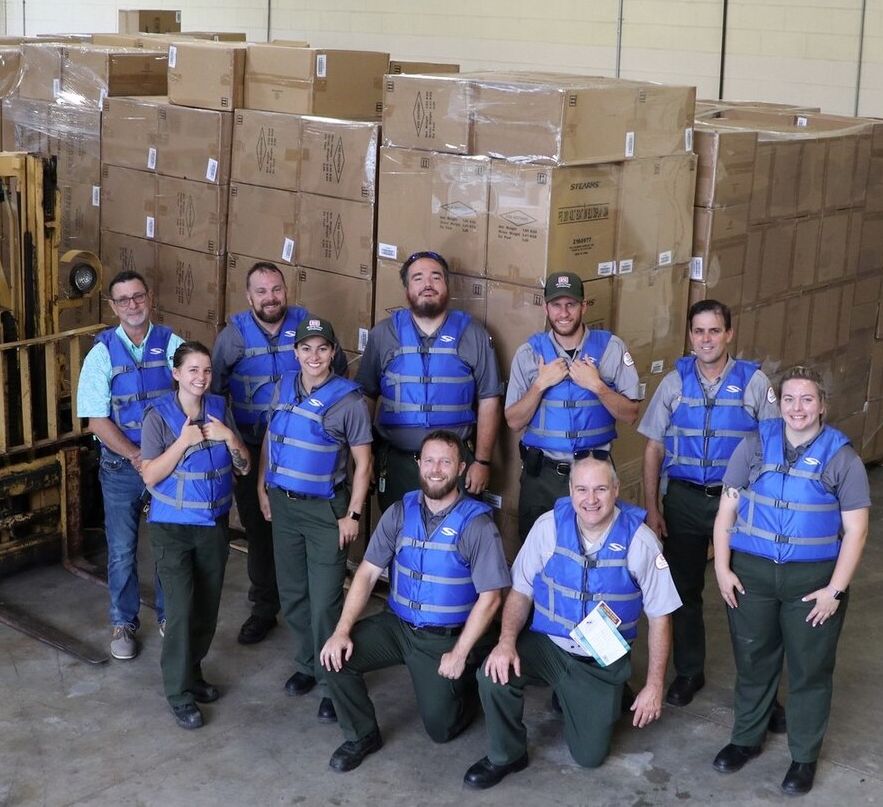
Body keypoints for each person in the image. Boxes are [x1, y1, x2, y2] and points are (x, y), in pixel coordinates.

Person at [463, 453, 681, 789]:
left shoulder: (641, 543)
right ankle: (507, 754)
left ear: (616, 489)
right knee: (493, 675)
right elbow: (520, 591)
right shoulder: (547, 526)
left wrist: (654, 686)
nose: (590, 499)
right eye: (581, 489)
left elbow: (660, 617)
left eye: (600, 489)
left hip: (598, 659)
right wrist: (505, 643)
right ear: (570, 489)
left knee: (589, 757)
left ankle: (609, 689)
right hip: (549, 644)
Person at [711, 366, 870, 796]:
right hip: (753, 576)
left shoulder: (842, 458)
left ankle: (803, 756)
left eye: (807, 399)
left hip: (812, 581)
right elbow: (727, 512)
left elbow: (856, 530)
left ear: (822, 405)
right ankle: (746, 738)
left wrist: (835, 590)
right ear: (777, 402)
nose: (797, 408)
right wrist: (723, 568)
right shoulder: (753, 446)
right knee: (753, 660)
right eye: (788, 399)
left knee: (809, 670)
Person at [319, 430, 511, 772]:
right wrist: (342, 630)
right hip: (396, 625)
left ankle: (469, 673)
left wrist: (459, 654)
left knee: (441, 731)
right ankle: (362, 734)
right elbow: (365, 573)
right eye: (430, 460)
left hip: (444, 637)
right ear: (419, 464)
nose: (436, 469)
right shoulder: (398, 512)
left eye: (446, 462)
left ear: (461, 469)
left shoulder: (477, 524)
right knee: (334, 657)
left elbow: (491, 598)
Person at [639, 300, 779, 708]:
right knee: (682, 590)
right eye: (698, 332)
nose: (706, 339)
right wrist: (653, 507)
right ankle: (688, 671)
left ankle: (760, 691)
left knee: (749, 595)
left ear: (729, 334)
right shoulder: (674, 383)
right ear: (690, 335)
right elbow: (653, 449)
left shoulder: (754, 383)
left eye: (714, 331)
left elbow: (771, 453)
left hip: (736, 503)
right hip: (682, 499)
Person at [211, 261, 349, 646]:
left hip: (305, 450)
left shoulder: (309, 327)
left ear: (286, 291)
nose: (270, 298)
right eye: (261, 291)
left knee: (301, 534)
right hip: (253, 447)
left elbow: (338, 377)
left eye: (276, 289)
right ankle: (263, 609)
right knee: (259, 531)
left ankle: (310, 614)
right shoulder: (233, 337)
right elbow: (215, 392)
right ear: (248, 296)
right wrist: (234, 444)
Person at [258, 317, 373, 722]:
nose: (314, 356)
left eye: (322, 348)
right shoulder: (282, 387)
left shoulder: (350, 401)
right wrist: (262, 488)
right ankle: (308, 663)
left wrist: (353, 515)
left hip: (326, 510)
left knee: (326, 601)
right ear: (295, 353)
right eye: (306, 348)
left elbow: (363, 464)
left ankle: (332, 680)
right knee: (293, 593)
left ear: (333, 353)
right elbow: (273, 440)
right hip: (284, 504)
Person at [139, 342, 251, 730]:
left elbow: (245, 466)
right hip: (172, 527)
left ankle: (193, 673)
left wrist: (230, 438)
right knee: (182, 608)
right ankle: (178, 692)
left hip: (213, 524)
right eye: (192, 370)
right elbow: (150, 475)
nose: (201, 378)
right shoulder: (159, 417)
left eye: (206, 371)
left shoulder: (220, 410)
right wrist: (183, 442)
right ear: (176, 374)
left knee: (206, 607)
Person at [77, 270, 183, 660]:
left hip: (168, 466)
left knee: (166, 546)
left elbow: (191, 394)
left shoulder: (172, 344)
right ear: (112, 306)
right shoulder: (101, 352)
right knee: (121, 549)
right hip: (122, 468)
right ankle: (123, 622)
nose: (132, 305)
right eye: (123, 300)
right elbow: (96, 419)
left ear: (150, 297)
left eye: (138, 297)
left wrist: (161, 456)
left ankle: (171, 617)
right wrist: (137, 455)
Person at [356, 251, 502, 514]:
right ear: (407, 289)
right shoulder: (383, 335)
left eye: (436, 277)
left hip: (457, 465)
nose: (427, 285)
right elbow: (365, 397)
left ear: (447, 286)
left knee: (458, 541)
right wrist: (364, 460)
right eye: (418, 278)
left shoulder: (474, 334)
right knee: (401, 540)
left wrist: (482, 461)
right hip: (398, 463)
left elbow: (489, 399)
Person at [504, 271, 640, 540]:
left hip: (594, 476)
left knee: (593, 556)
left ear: (584, 306)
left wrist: (598, 386)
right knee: (537, 558)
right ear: (545, 308)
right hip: (541, 476)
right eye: (556, 305)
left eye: (571, 304)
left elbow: (631, 414)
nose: (563, 312)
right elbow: (513, 421)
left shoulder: (611, 348)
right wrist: (540, 385)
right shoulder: (529, 353)